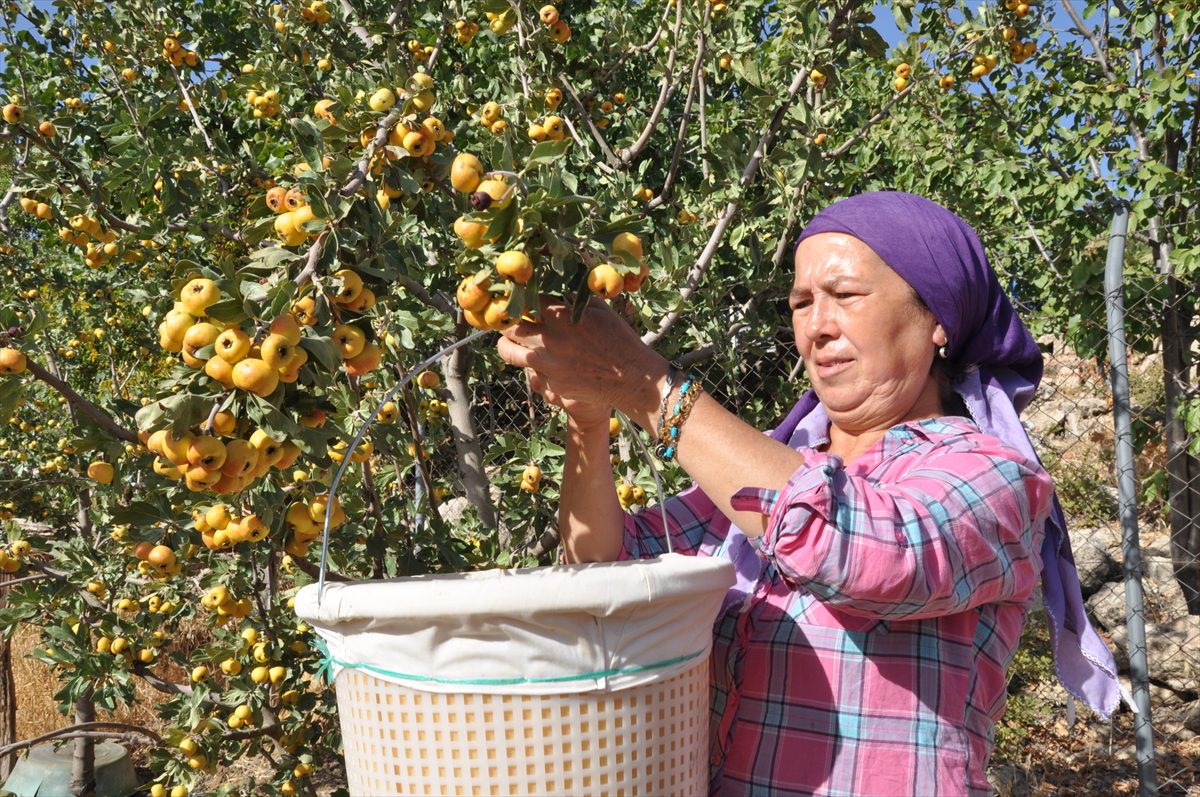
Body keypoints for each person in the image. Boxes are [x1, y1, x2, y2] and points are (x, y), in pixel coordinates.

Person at [496, 192, 1119, 796]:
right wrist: (588, 423)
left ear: (936, 319)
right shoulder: (773, 461)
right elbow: (606, 571)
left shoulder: (990, 474)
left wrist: (649, 388)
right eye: (801, 302)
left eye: (845, 296)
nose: (817, 327)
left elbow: (865, 552)